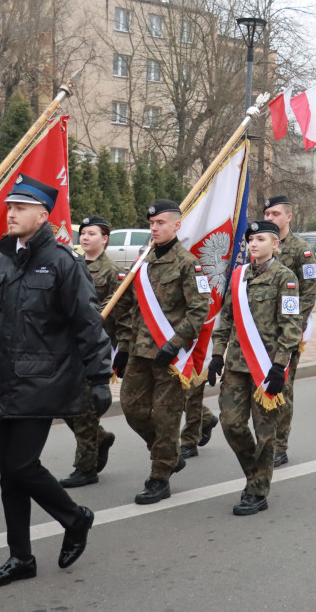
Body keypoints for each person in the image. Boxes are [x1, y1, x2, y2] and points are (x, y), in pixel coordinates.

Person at [0, 174, 111, 585]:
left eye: (20, 208)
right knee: (9, 474)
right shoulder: (1, 260)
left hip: (44, 379)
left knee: (21, 464)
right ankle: (21, 557)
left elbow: (88, 322)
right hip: (4, 378)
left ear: (43, 215)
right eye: (9, 207)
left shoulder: (64, 262)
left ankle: (75, 517)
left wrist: (100, 376)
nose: (10, 214)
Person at [114, 199, 211, 504]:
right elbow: (130, 308)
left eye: (160, 223)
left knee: (166, 418)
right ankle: (168, 453)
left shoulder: (189, 264)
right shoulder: (142, 262)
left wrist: (175, 343)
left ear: (176, 226)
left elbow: (200, 310)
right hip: (140, 351)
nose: (154, 228)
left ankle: (160, 476)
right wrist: (123, 346)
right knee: (131, 408)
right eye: (151, 224)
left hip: (171, 354)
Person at [207, 221, 301, 515]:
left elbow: (291, 325)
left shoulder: (285, 278)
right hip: (236, 364)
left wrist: (279, 366)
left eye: (261, 239)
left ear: (275, 244)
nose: (254, 244)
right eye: (251, 239)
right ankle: (254, 473)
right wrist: (217, 355)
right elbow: (226, 320)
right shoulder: (237, 277)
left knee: (265, 432)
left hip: (266, 367)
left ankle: (258, 490)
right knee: (231, 424)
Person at [60, 216, 119, 488]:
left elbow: (110, 312)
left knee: (83, 407)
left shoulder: (111, 271)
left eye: (92, 233)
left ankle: (85, 469)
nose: (85, 237)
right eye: (82, 233)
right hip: (67, 344)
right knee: (64, 403)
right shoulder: (73, 265)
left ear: (104, 239)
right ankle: (100, 437)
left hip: (92, 346)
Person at [264, 195, 316, 468]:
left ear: (288, 216)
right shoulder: (260, 245)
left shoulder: (301, 250)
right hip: (260, 333)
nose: (270, 218)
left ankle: (280, 445)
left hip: (287, 333)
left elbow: (308, 294)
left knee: (282, 388)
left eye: (275, 214)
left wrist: (292, 329)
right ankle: (263, 441)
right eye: (267, 214)